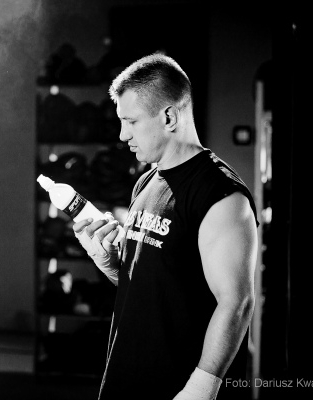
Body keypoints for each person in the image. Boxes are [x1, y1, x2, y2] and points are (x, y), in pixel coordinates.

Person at [72, 53, 258, 400]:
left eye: (131, 121)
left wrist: (201, 387)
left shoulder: (220, 195)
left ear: (169, 117)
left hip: (178, 388)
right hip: (125, 380)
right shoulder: (146, 183)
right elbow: (154, 290)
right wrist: (111, 265)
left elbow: (237, 302)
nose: (122, 134)